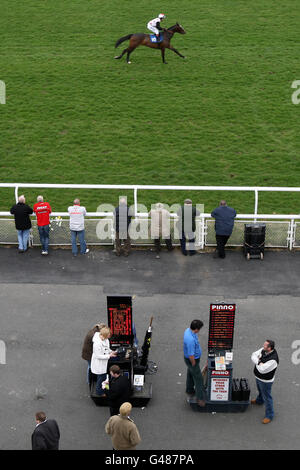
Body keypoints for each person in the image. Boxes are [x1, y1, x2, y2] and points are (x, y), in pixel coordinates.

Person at [251, 339, 279, 424]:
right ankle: (259, 400)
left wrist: (256, 361)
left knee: (267, 397)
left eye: (265, 345)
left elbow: (262, 370)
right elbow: (253, 355)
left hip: (266, 381)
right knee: (260, 390)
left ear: (269, 348)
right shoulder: (264, 350)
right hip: (258, 377)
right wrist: (259, 362)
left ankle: (269, 415)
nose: (263, 346)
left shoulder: (273, 360)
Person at [183, 319, 206, 407]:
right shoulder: (190, 340)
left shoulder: (188, 331)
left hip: (191, 360)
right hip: (192, 360)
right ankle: (200, 399)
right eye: (199, 329)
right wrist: (193, 363)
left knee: (190, 373)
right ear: (196, 329)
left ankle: (189, 390)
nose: (199, 330)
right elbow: (191, 354)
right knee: (199, 378)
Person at [90, 327, 117, 396]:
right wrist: (109, 356)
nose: (109, 336)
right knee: (101, 378)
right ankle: (99, 392)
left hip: (103, 362)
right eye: (108, 335)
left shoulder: (105, 339)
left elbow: (107, 348)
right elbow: (98, 356)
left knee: (103, 377)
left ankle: (104, 388)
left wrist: (111, 351)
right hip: (99, 364)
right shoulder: (97, 344)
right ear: (105, 335)